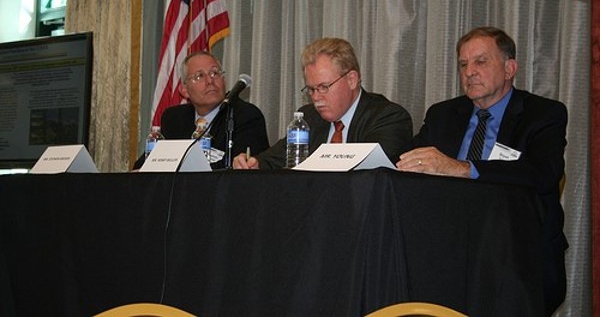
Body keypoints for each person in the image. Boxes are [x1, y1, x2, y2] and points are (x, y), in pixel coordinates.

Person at [396, 26, 567, 315]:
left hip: (516, 250)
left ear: (510, 68)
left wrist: (463, 168)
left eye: (481, 61)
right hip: (445, 245)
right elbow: (405, 161)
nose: (469, 72)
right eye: (463, 64)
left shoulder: (543, 114)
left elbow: (542, 173)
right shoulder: (443, 114)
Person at [233, 37, 413, 169]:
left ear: (351, 79)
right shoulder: (308, 117)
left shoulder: (388, 117)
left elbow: (365, 167)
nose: (316, 97)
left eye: (324, 87)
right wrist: (255, 163)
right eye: (311, 89)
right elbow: (278, 157)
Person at [134, 51, 270, 170]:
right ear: (184, 90)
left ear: (224, 80)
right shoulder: (174, 118)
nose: (210, 81)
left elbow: (243, 168)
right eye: (199, 76)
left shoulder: (246, 116)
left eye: (214, 73)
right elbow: (147, 162)